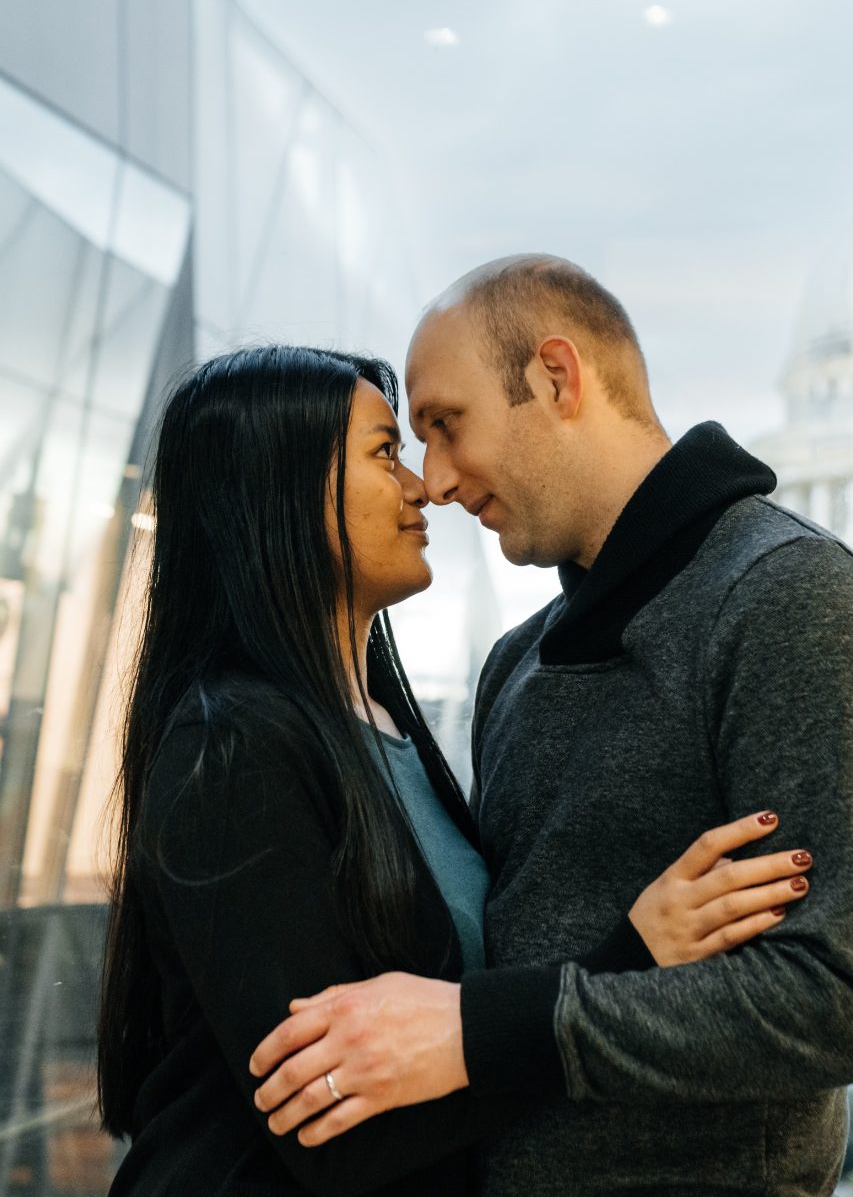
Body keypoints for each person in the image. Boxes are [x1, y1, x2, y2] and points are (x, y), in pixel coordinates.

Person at [96, 343, 810, 1197]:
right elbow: (340, 1131)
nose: (423, 486)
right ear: (276, 491)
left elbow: (443, 1029)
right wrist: (632, 954)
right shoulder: (233, 750)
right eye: (384, 452)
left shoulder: (387, 731)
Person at [248, 258, 853, 1197]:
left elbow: (833, 1000)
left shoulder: (789, 597)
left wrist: (479, 1032)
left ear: (557, 377)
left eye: (448, 426)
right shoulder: (514, 662)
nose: (436, 482)